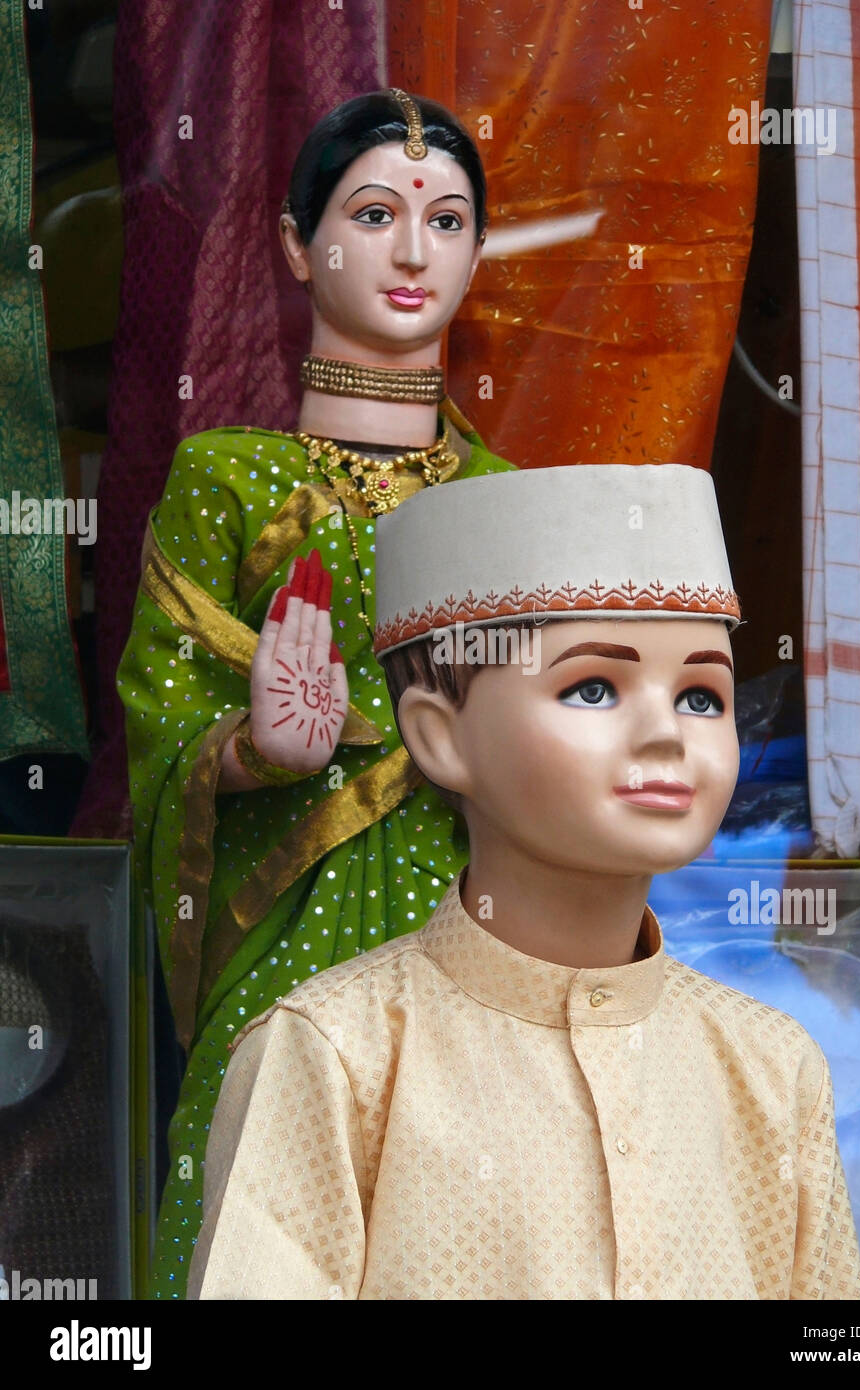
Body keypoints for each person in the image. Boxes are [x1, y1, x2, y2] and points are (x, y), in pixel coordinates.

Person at [188, 463, 860, 1300]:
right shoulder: (335, 1059)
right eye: (592, 687)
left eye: (700, 696)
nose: (665, 734)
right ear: (441, 739)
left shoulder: (772, 1066)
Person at [117, 89, 514, 1299]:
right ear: (298, 246)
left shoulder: (511, 496)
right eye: (376, 212)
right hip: (282, 920)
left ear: (478, 254)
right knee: (270, 1220)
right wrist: (246, 752)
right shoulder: (229, 476)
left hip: (482, 927)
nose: (412, 251)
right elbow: (158, 710)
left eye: (447, 221)